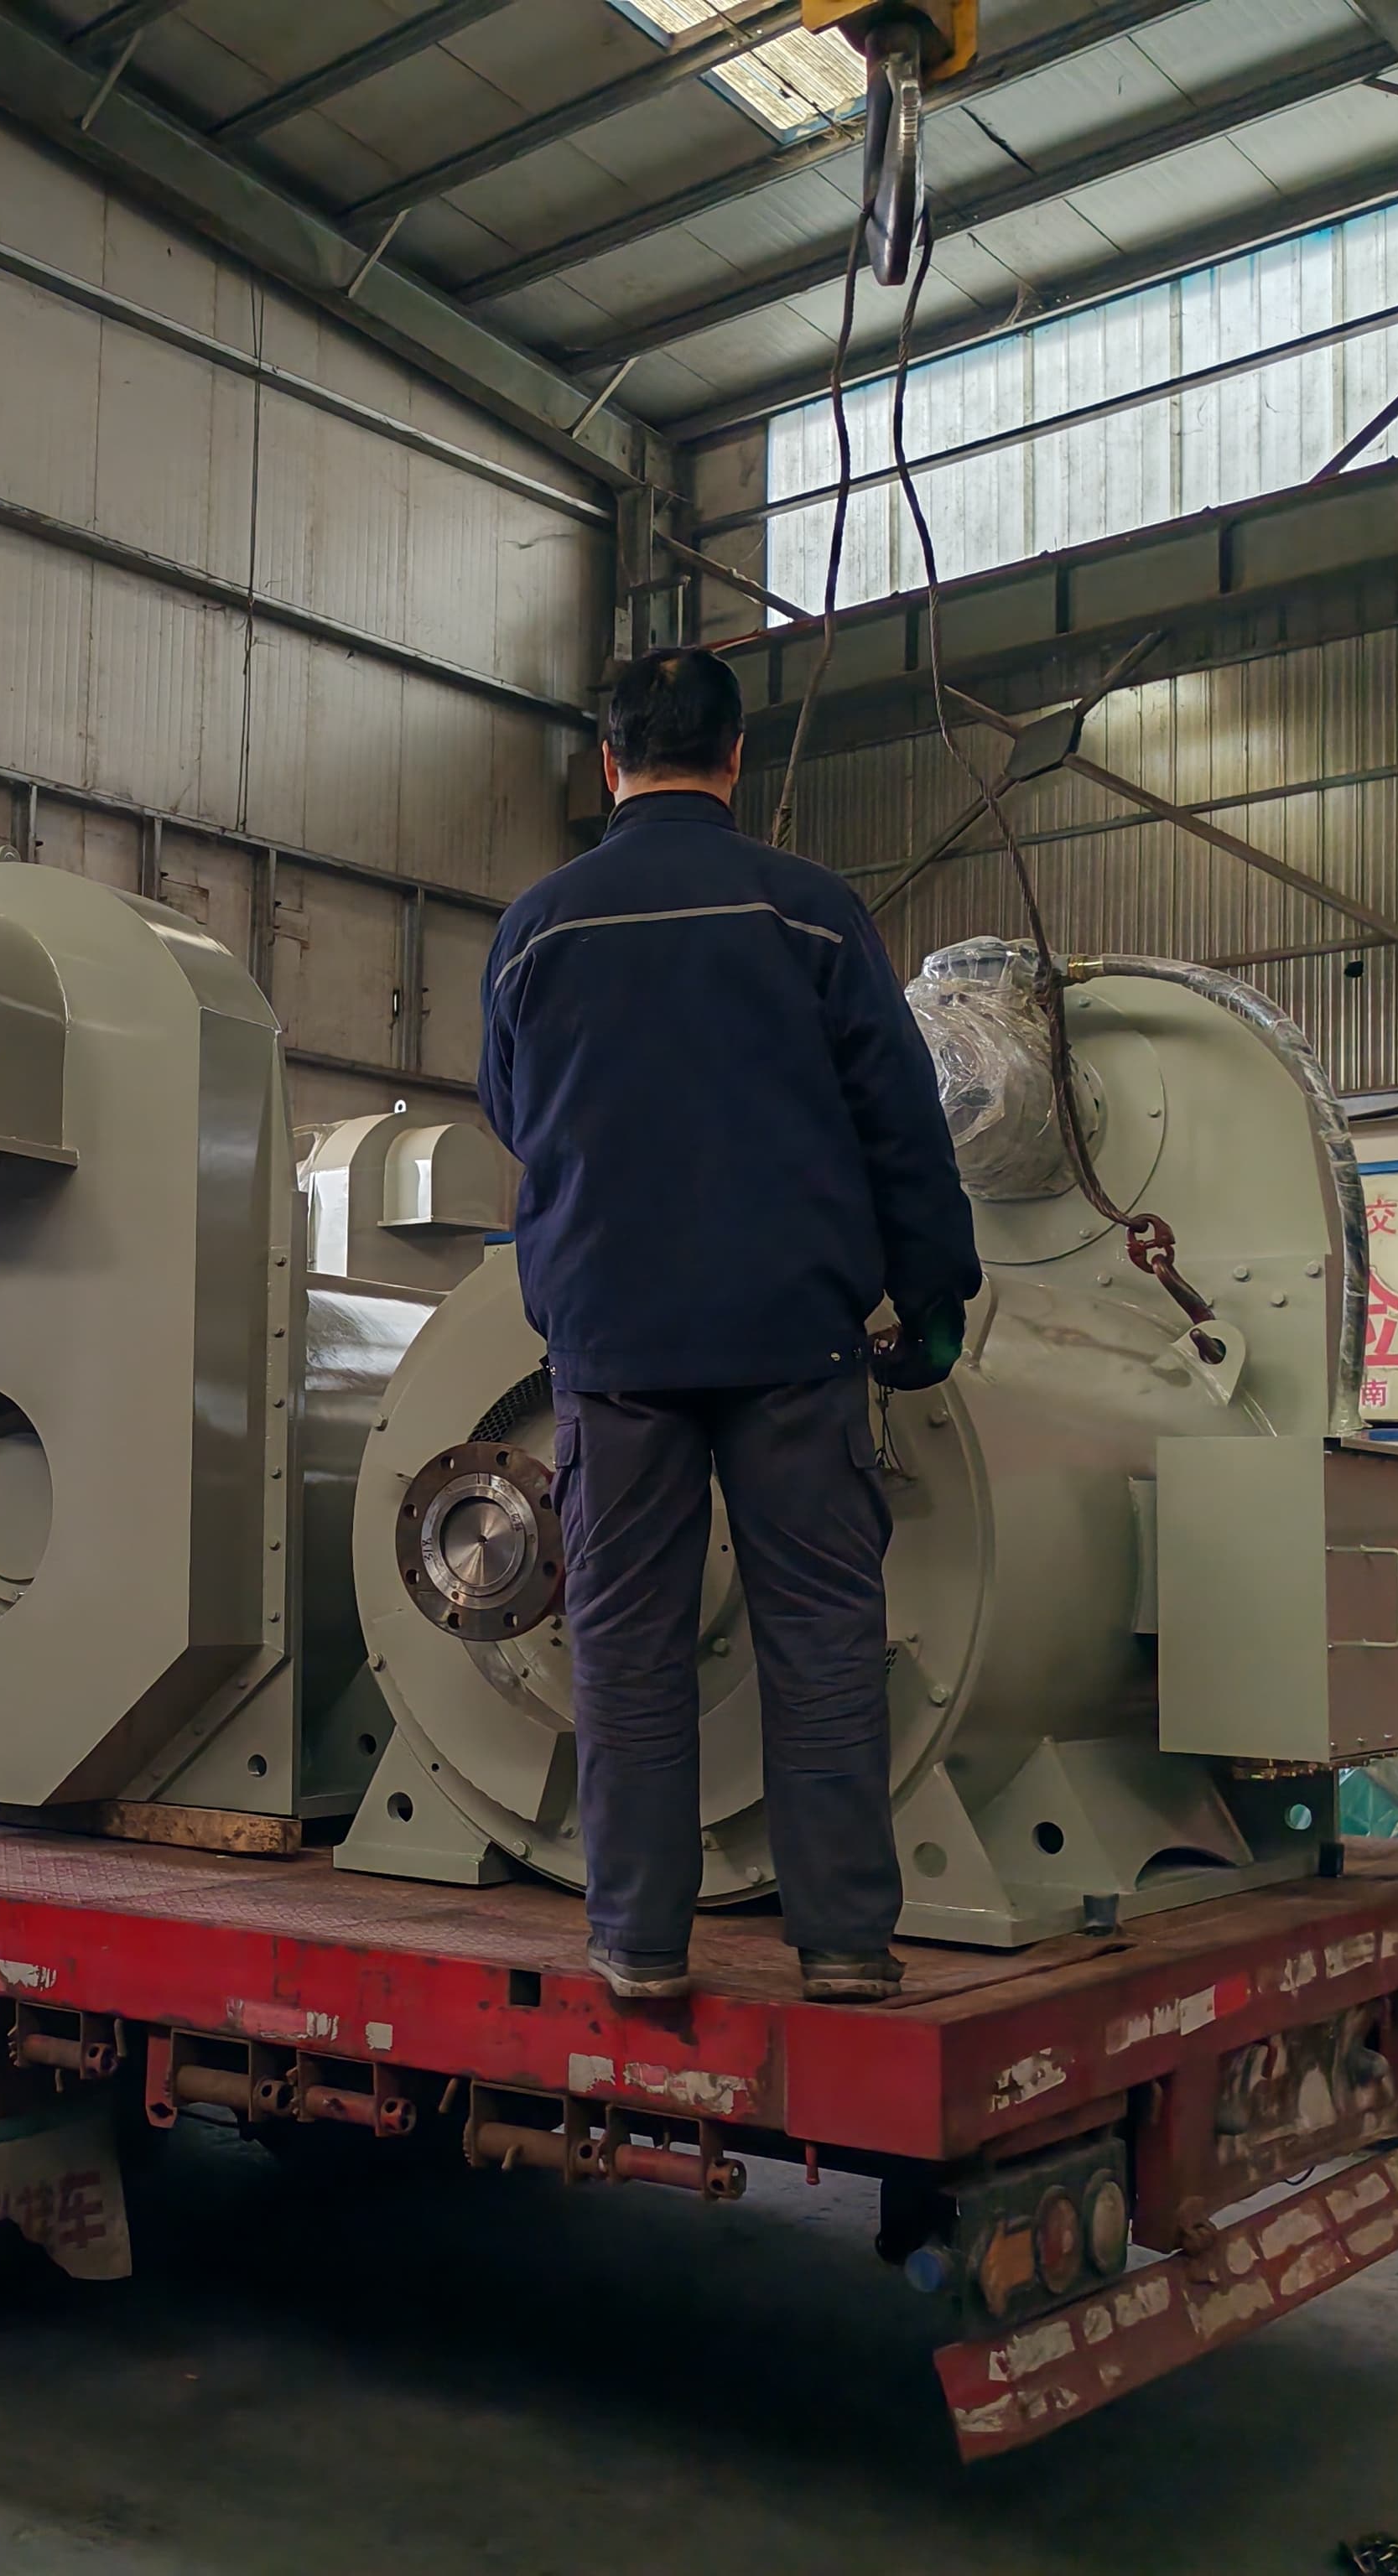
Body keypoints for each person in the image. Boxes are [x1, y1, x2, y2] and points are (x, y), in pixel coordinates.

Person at [480, 647, 980, 2006]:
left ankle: (639, 1944)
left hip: (614, 1345)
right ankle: (845, 1944)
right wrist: (936, 1291)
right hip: (792, 1338)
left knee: (626, 1643)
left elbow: (515, 1113)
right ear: (737, 757)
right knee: (821, 1635)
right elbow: (902, 1123)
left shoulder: (538, 928)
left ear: (609, 762)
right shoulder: (812, 914)